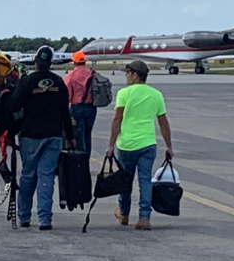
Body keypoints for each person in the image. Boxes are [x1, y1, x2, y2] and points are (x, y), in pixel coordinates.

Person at [7, 45, 74, 230]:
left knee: (28, 175)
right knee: (46, 177)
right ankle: (45, 219)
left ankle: (24, 216)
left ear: (36, 61)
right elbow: (64, 112)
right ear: (50, 63)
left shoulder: (27, 81)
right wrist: (71, 136)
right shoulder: (59, 82)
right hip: (53, 135)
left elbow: (14, 105)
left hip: (30, 134)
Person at [105, 60, 173, 231]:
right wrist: (169, 146)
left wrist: (111, 144)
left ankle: (124, 213)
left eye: (127, 73)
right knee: (145, 181)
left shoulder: (124, 93)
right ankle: (144, 217)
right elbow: (163, 122)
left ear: (135, 75)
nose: (126, 76)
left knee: (125, 181)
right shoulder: (156, 94)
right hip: (148, 144)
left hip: (127, 145)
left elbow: (117, 119)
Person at [63, 51, 97, 156]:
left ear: (74, 62)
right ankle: (87, 159)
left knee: (78, 136)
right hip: (91, 108)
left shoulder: (71, 76)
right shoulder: (93, 74)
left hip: (77, 108)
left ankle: (80, 161)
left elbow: (66, 97)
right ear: (85, 62)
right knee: (88, 134)